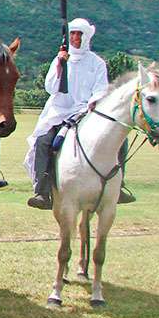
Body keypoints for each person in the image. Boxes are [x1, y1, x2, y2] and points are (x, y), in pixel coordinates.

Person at [24, 18, 134, 209]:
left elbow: (101, 89)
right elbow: (50, 87)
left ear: (86, 36)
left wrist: (92, 103)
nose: (75, 38)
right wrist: (59, 64)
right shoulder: (60, 59)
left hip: (87, 111)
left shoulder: (97, 63)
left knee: (119, 140)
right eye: (72, 33)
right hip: (60, 112)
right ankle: (42, 191)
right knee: (43, 142)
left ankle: (119, 186)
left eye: (79, 34)